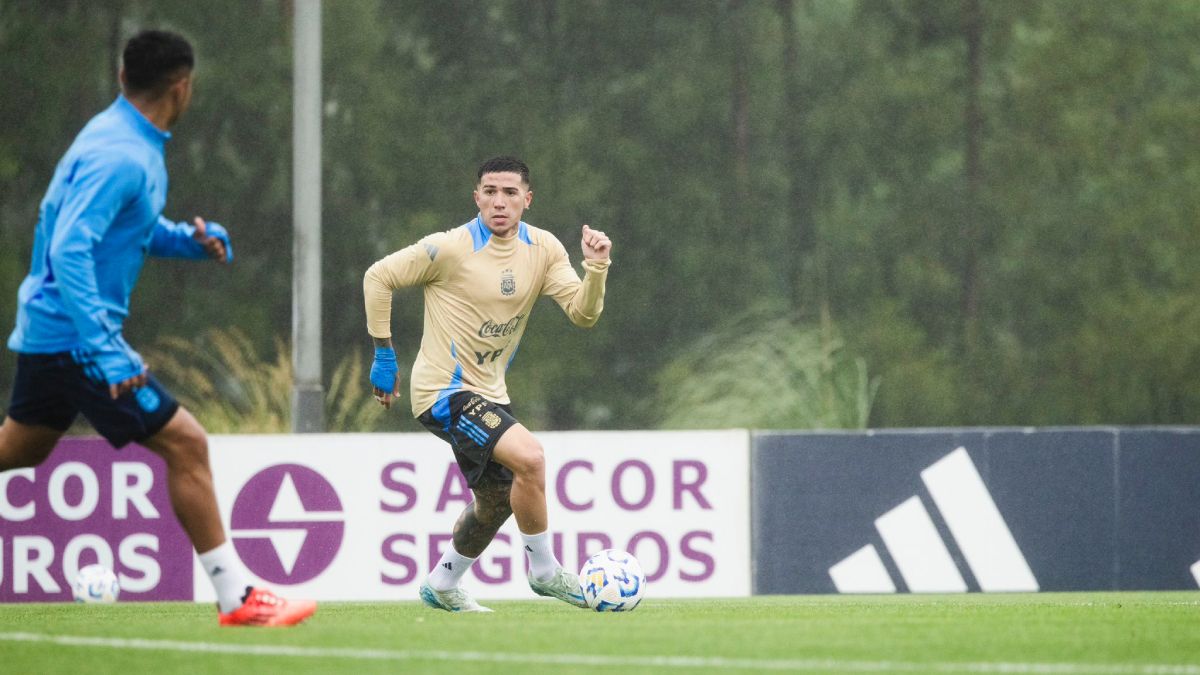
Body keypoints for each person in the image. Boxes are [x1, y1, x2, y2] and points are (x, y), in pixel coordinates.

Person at [0, 30, 314, 627]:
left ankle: (237, 598)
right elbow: (69, 248)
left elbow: (121, 225)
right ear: (182, 86)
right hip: (75, 338)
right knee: (187, 444)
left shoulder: (116, 135)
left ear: (123, 79)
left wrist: (184, 241)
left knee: (19, 448)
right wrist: (106, 350)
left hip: (52, 330)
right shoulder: (122, 154)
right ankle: (237, 598)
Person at [363, 156, 612, 612]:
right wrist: (383, 352)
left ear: (527, 200)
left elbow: (584, 314)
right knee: (531, 459)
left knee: (497, 502)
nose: (500, 202)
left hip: (490, 394)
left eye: (510, 193)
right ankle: (545, 573)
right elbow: (378, 276)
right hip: (442, 391)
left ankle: (441, 584)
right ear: (476, 196)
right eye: (490, 192)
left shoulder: (545, 249)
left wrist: (596, 268)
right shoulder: (449, 248)